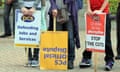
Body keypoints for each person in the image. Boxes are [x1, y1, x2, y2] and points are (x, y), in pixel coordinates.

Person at [79, 0, 114, 71]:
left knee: (106, 38)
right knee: (90, 36)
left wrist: (101, 10)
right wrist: (88, 8)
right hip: (91, 13)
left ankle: (109, 59)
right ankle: (87, 58)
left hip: (104, 13)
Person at [49, 0, 80, 69]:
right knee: (58, 37)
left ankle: (70, 60)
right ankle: (59, 59)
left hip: (69, 13)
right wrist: (53, 7)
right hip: (57, 13)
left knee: (70, 38)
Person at [18, 0, 46, 67]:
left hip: (37, 7)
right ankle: (29, 57)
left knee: (36, 32)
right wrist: (22, 6)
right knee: (25, 31)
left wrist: (34, 7)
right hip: (24, 7)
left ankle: (35, 57)